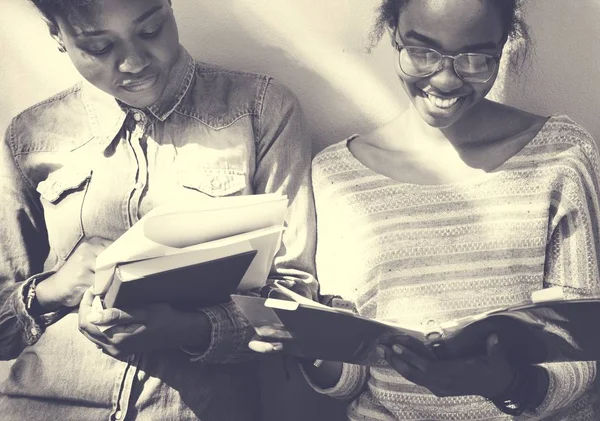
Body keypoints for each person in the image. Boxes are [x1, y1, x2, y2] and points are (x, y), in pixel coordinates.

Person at [0, 0, 317, 420]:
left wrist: (189, 329)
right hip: (40, 405)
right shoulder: (31, 135)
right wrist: (51, 291)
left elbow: (296, 302)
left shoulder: (260, 110)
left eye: (150, 31)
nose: (133, 62)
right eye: (98, 47)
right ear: (57, 35)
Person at [302, 0, 600, 419]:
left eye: (476, 58)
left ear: (503, 48)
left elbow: (584, 348)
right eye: (422, 52)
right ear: (394, 36)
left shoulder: (561, 154)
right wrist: (304, 346)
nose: (445, 80)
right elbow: (350, 374)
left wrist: (509, 386)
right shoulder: (338, 174)